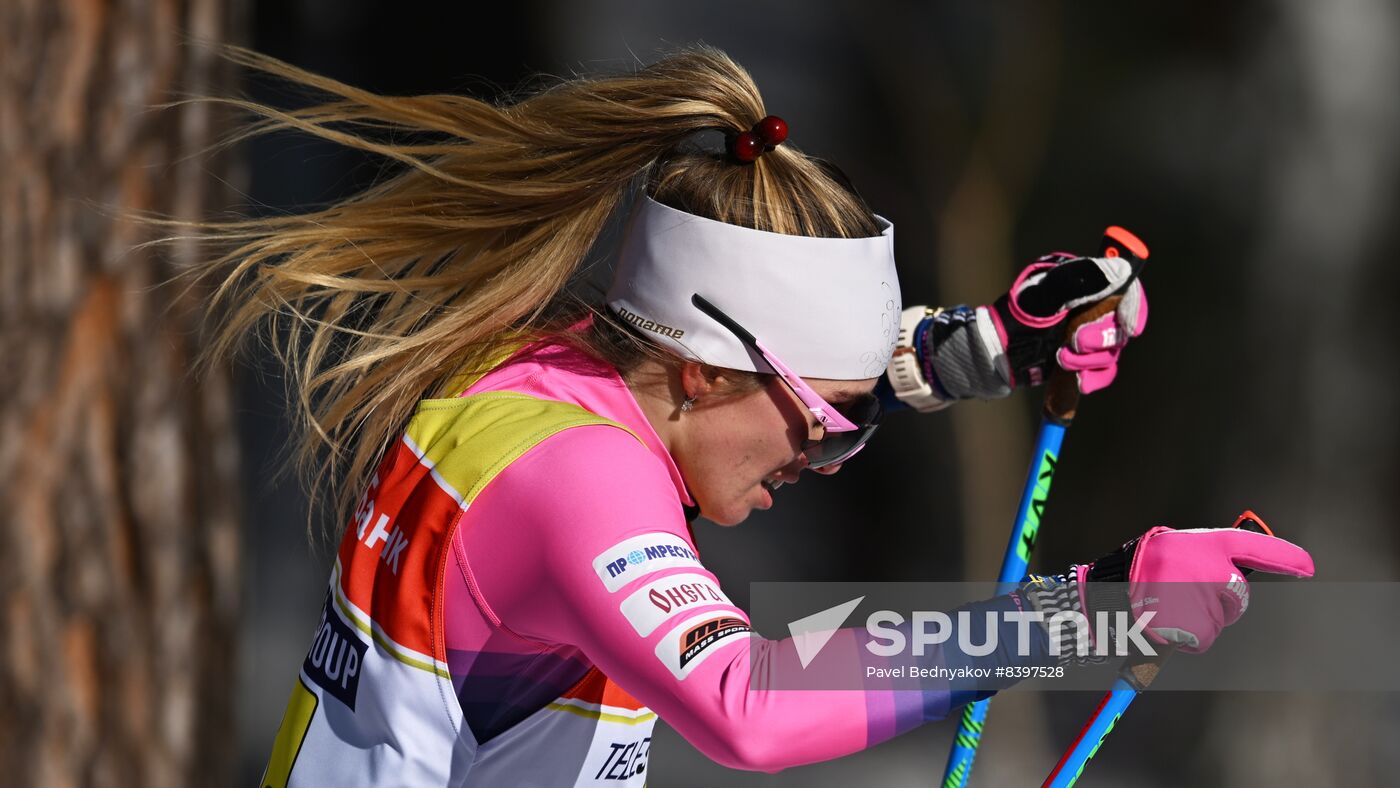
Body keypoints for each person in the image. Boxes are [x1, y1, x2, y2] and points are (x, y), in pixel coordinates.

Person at [197, 46, 1314, 787]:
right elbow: (752, 701)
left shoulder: (549, 366)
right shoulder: (584, 487)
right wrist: (1084, 610)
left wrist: (979, 345)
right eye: (827, 426)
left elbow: (782, 361)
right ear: (697, 374)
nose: (828, 459)